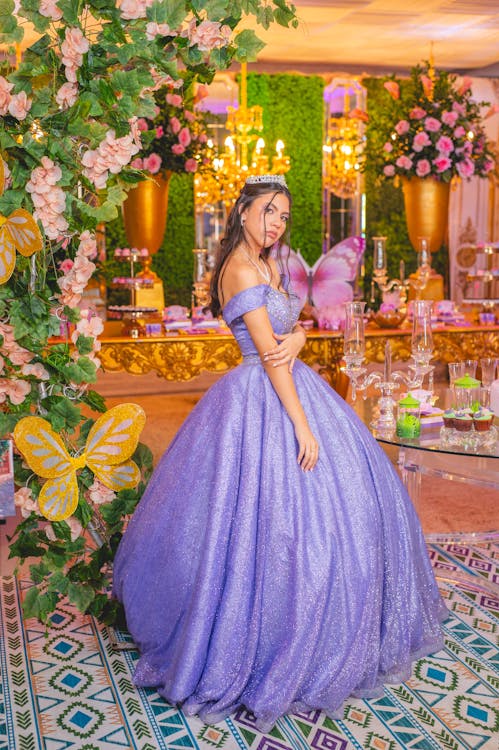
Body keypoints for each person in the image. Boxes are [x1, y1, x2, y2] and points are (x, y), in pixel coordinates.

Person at [113, 174, 447, 732]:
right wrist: (302, 426)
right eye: (268, 212)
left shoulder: (267, 264)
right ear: (241, 211)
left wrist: (299, 341)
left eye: (284, 216)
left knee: (342, 506)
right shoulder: (241, 269)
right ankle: (259, 635)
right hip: (263, 397)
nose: (275, 224)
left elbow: (289, 336)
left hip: (289, 382)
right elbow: (268, 359)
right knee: (254, 521)